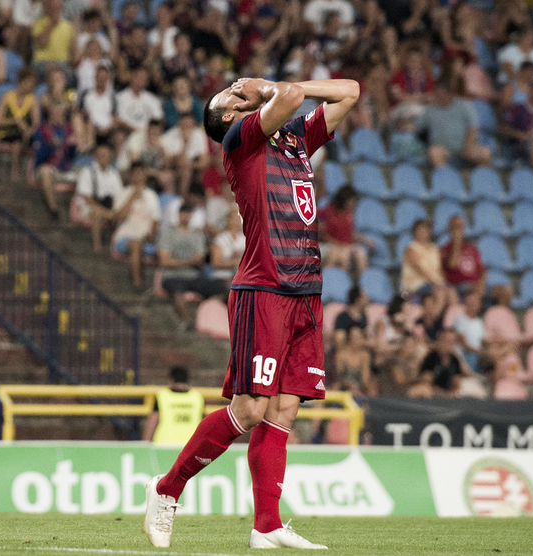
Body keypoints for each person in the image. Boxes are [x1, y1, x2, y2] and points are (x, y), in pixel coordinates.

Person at [144, 76, 358, 550]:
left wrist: (277, 89)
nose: (238, 89)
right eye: (231, 94)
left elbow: (350, 92)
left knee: (283, 411)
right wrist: (265, 88)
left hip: (307, 290)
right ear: (228, 115)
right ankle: (166, 489)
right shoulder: (240, 140)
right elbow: (291, 97)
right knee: (249, 409)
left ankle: (266, 526)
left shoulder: (293, 137)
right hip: (264, 288)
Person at [157, 203, 226, 329]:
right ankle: (186, 322)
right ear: (179, 214)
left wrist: (182, 262)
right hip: (172, 276)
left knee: (226, 286)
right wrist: (189, 262)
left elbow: (200, 260)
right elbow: (165, 261)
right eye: (184, 213)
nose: (186, 216)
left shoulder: (197, 234)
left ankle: (207, 314)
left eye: (189, 213)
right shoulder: (168, 233)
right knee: (176, 291)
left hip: (195, 276)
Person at [415, 78, 491, 168]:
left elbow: (473, 126)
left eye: (442, 94)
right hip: (443, 149)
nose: (439, 97)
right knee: (434, 152)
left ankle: (481, 176)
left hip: (465, 147)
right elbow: (417, 126)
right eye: (437, 94)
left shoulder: (465, 106)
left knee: (485, 153)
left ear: (450, 94)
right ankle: (444, 175)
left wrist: (469, 146)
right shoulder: (429, 109)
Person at [112, 162, 161, 290]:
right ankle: (137, 284)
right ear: (131, 175)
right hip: (125, 237)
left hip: (146, 239)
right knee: (135, 243)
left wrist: (152, 236)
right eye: (136, 173)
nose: (139, 177)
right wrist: (132, 196)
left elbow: (156, 221)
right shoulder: (122, 193)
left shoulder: (152, 195)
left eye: (141, 173)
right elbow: (119, 217)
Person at [72, 141, 123, 253]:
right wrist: (105, 212)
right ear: (96, 156)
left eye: (106, 155)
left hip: (108, 205)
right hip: (87, 207)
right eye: (101, 155)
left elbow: (118, 195)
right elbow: (87, 198)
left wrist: (114, 211)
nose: (104, 158)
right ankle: (97, 246)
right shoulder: (87, 172)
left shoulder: (114, 174)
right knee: (96, 212)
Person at [0, 68, 39, 182]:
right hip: (7, 131)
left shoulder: (32, 99)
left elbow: (36, 122)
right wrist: (16, 121)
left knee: (27, 136)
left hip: (24, 132)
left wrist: (30, 130)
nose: (32, 86)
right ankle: (15, 170)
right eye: (29, 82)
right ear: (22, 82)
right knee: (18, 140)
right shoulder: (7, 97)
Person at [142, 366, 205, 444]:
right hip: (191, 444)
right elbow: (204, 423)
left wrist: (145, 444)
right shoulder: (197, 397)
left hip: (165, 444)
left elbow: (152, 422)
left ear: (171, 379)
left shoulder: (162, 396)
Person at [413, 327, 474, 398]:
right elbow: (426, 379)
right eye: (448, 341)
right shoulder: (431, 357)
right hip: (432, 393)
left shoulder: (454, 360)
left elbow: (462, 377)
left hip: (448, 394)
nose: (450, 345)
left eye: (453, 342)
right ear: (440, 341)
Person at [440, 215, 487, 297]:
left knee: (504, 291)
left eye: (460, 227)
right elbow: (452, 265)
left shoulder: (472, 248)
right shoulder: (444, 249)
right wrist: (456, 244)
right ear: (449, 230)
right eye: (455, 227)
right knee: (472, 290)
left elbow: (482, 271)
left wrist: (481, 285)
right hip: (458, 287)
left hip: (475, 285)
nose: (457, 230)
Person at [333, 286, 369, 352]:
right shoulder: (343, 317)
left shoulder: (363, 317)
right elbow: (339, 342)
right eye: (365, 297)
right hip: (346, 352)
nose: (368, 299)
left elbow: (365, 336)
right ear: (358, 299)